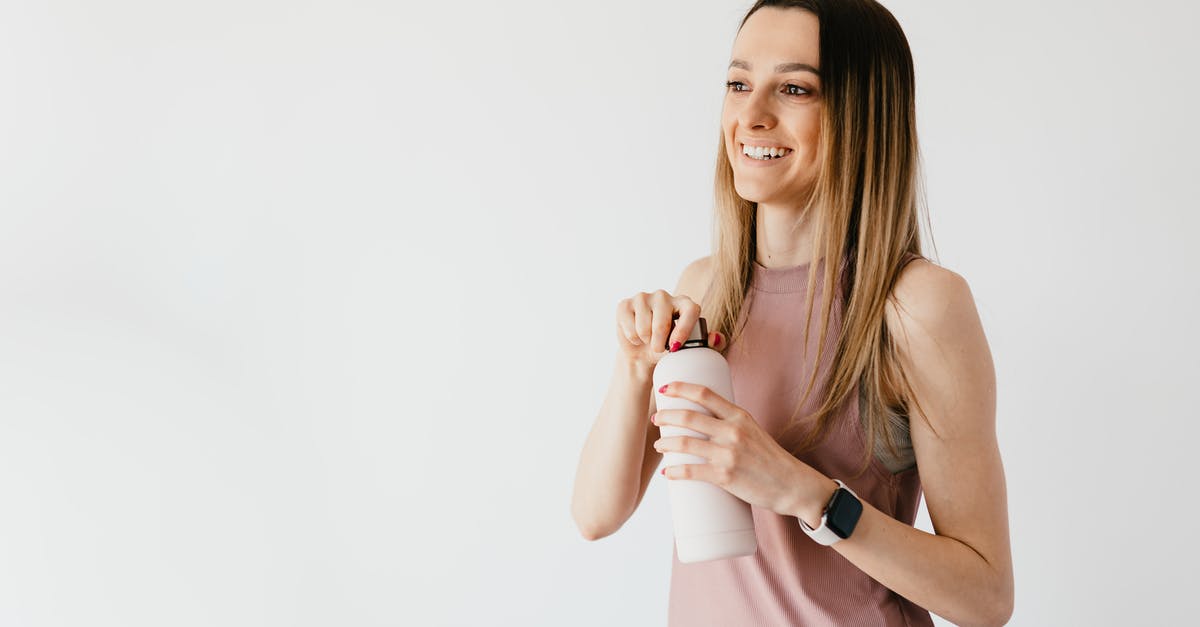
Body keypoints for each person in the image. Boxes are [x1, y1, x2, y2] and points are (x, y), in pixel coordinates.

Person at [570, 1, 1014, 625]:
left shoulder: (915, 305)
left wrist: (802, 491)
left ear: (862, 115)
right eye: (738, 83)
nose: (751, 116)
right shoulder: (705, 288)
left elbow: (986, 597)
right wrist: (634, 368)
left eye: (795, 88)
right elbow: (595, 515)